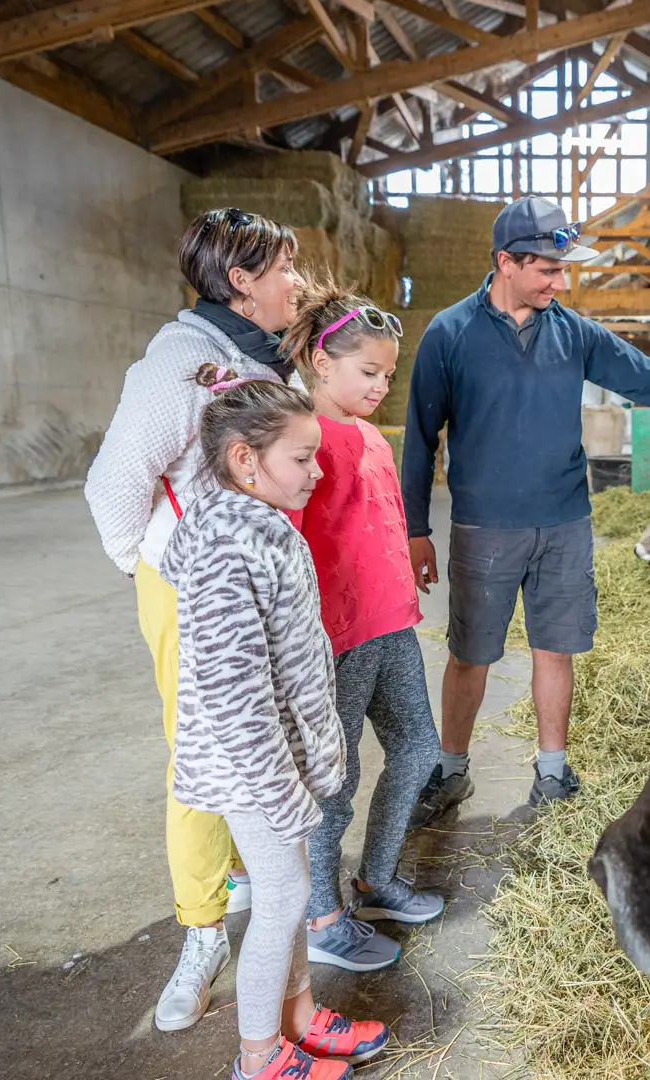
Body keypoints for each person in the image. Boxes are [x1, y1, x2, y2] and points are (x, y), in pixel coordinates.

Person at [401, 196, 650, 825]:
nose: (562, 283)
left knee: (554, 649)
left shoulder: (572, 332)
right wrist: (417, 529)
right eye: (549, 270)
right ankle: (452, 768)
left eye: (565, 270)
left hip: (564, 521)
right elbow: (421, 439)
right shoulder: (449, 334)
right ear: (506, 262)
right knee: (471, 653)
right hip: (483, 527)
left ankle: (552, 771)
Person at [83, 207, 307, 1031]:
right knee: (201, 760)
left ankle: (253, 882)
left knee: (263, 742)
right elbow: (114, 487)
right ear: (241, 281)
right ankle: (202, 931)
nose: (297, 283)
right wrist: (160, 572)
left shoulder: (268, 360)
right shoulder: (178, 364)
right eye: (284, 268)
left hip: (264, 586)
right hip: (192, 591)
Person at [161, 374, 388, 1080]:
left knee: (286, 890)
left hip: (276, 763)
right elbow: (235, 696)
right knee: (284, 897)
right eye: (301, 458)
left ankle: (297, 1016)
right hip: (254, 767)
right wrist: (278, 790)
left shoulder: (254, 527)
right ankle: (259, 1057)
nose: (316, 472)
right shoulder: (230, 547)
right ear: (244, 460)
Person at [277, 281, 446, 973]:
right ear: (323, 361)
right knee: (332, 781)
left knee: (417, 748)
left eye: (388, 374)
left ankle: (375, 881)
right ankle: (320, 915)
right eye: (368, 372)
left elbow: (383, 517)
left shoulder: (373, 435)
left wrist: (406, 559)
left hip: (392, 623)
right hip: (336, 638)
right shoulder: (300, 437)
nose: (381, 386)